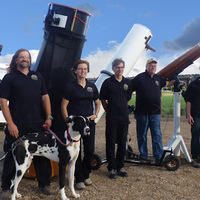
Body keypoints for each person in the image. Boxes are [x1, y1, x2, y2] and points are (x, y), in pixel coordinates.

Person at [0, 49, 53, 199]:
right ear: (16, 60)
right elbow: (3, 102)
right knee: (11, 155)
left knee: (42, 154)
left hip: (37, 124)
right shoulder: (9, 78)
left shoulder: (37, 77)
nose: (24, 59)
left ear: (30, 60)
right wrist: (10, 123)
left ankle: (44, 184)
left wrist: (49, 117)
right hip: (17, 125)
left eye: (27, 57)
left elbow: (45, 97)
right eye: (21, 57)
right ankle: (6, 188)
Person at [61, 59, 100, 190]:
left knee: (89, 151)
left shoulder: (92, 86)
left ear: (88, 70)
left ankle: (86, 174)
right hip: (76, 125)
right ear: (75, 71)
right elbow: (64, 106)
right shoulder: (70, 86)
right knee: (76, 152)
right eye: (80, 69)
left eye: (85, 69)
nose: (83, 71)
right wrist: (67, 121)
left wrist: (96, 114)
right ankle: (79, 179)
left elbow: (98, 102)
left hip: (88, 123)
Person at [130, 58, 175, 163]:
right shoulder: (139, 78)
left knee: (157, 135)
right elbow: (129, 88)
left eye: (154, 66)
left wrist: (176, 82)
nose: (153, 67)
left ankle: (158, 156)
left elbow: (166, 84)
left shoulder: (158, 78)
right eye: (151, 65)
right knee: (142, 135)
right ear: (146, 66)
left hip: (155, 113)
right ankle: (143, 155)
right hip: (142, 112)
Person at [100, 58, 132, 179]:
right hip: (112, 117)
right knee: (111, 143)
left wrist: (123, 107)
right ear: (113, 69)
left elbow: (127, 98)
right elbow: (102, 99)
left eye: (122, 67)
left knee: (122, 143)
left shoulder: (127, 82)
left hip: (124, 118)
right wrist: (109, 110)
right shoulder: (108, 82)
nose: (120, 69)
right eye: (117, 67)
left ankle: (120, 167)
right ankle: (111, 168)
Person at [184, 76, 200, 168]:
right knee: (195, 136)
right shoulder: (193, 85)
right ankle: (196, 158)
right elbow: (188, 101)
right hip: (196, 115)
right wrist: (189, 115)